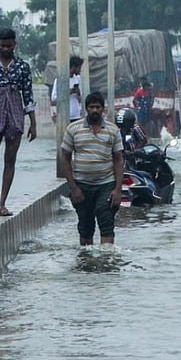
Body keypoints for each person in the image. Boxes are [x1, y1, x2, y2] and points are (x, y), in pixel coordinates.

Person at [60, 91, 124, 246]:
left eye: (97, 107)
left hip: (106, 185)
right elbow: (65, 158)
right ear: (86, 109)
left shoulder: (113, 130)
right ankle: (86, 264)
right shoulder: (73, 129)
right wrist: (73, 188)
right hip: (81, 186)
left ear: (103, 109)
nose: (94, 110)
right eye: (91, 107)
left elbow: (118, 159)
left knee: (106, 222)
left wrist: (117, 189)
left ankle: (106, 261)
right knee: (85, 226)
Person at [0, 28, 36, 217]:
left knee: (10, 160)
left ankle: (2, 204)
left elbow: (28, 95)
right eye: (3, 46)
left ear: (15, 45)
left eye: (10, 46)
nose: (6, 49)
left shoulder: (23, 67)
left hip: (15, 112)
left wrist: (33, 123)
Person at [51, 56, 84, 123]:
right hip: (64, 115)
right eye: (79, 68)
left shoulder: (78, 79)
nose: (80, 70)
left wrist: (78, 93)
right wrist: (68, 92)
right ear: (74, 67)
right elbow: (54, 98)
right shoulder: (60, 80)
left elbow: (82, 97)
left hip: (76, 115)